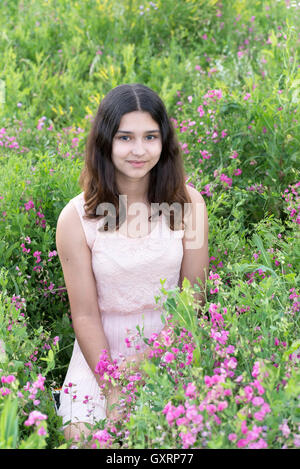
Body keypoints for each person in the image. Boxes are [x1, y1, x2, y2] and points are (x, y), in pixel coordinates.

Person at [55, 83, 209, 445]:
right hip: (100, 355)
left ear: (164, 142)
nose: (139, 150)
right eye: (125, 137)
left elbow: (193, 301)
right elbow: (86, 316)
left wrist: (150, 362)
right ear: (105, 142)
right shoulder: (75, 218)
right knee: (92, 440)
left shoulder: (191, 206)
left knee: (178, 438)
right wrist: (112, 389)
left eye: (150, 137)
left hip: (174, 344)